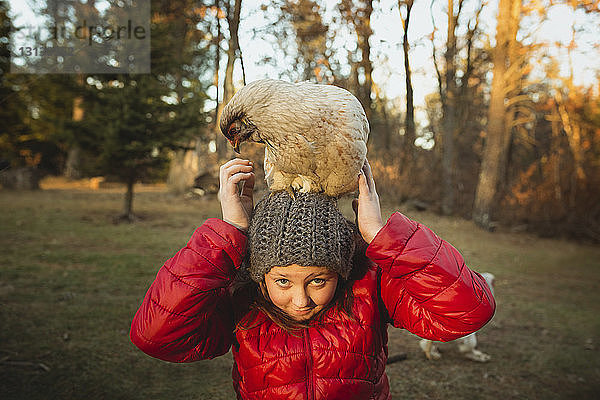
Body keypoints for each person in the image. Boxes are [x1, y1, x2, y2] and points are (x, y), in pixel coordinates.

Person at [130, 158, 496, 400]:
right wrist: (228, 234)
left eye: (318, 280)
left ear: (341, 269)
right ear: (259, 277)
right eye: (283, 282)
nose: (300, 300)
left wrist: (383, 235)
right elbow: (157, 337)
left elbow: (467, 312)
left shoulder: (367, 290)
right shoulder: (243, 302)